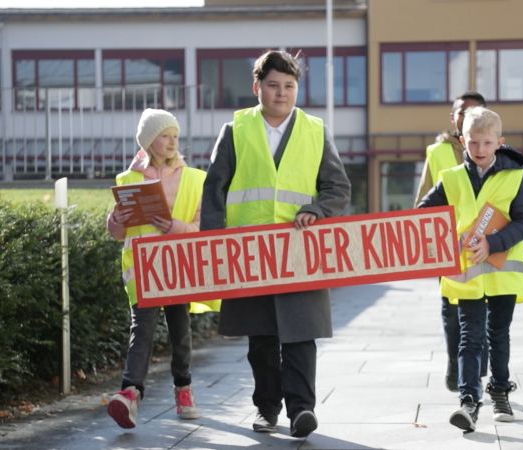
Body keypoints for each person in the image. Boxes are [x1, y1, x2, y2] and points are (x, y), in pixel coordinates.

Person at [200, 50, 351, 439]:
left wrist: (316, 210)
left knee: (302, 334)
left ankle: (302, 410)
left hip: (301, 251)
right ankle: (267, 408)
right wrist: (214, 244)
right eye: (273, 85)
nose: (281, 93)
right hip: (249, 253)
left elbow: (338, 188)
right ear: (257, 87)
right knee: (262, 339)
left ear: (297, 89)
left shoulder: (317, 130)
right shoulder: (235, 130)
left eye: (289, 86)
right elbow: (214, 190)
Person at [418, 106, 523, 432]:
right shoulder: (449, 179)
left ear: (499, 142)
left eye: (486, 142)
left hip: (502, 273)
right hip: (465, 274)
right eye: (473, 143)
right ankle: (469, 401)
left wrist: (492, 244)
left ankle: (499, 391)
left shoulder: (514, 177)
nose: (480, 150)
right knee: (469, 338)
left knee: (498, 335)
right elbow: (423, 216)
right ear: (462, 140)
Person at [106, 108, 219, 429]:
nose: (171, 143)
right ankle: (129, 394)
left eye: (175, 137)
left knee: (180, 331)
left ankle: (184, 390)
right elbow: (117, 233)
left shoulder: (195, 178)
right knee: (140, 332)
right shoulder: (128, 180)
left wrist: (173, 226)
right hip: (143, 269)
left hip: (178, 266)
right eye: (164, 136)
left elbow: (203, 227)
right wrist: (116, 220)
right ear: (148, 141)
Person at [414, 91, 488, 393]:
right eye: (462, 111)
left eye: (475, 110)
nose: (467, 114)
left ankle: (477, 368)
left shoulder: (497, 148)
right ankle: (455, 363)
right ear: (454, 117)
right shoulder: (438, 152)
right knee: (453, 308)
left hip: (486, 244)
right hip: (451, 247)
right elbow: (423, 201)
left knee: (485, 308)